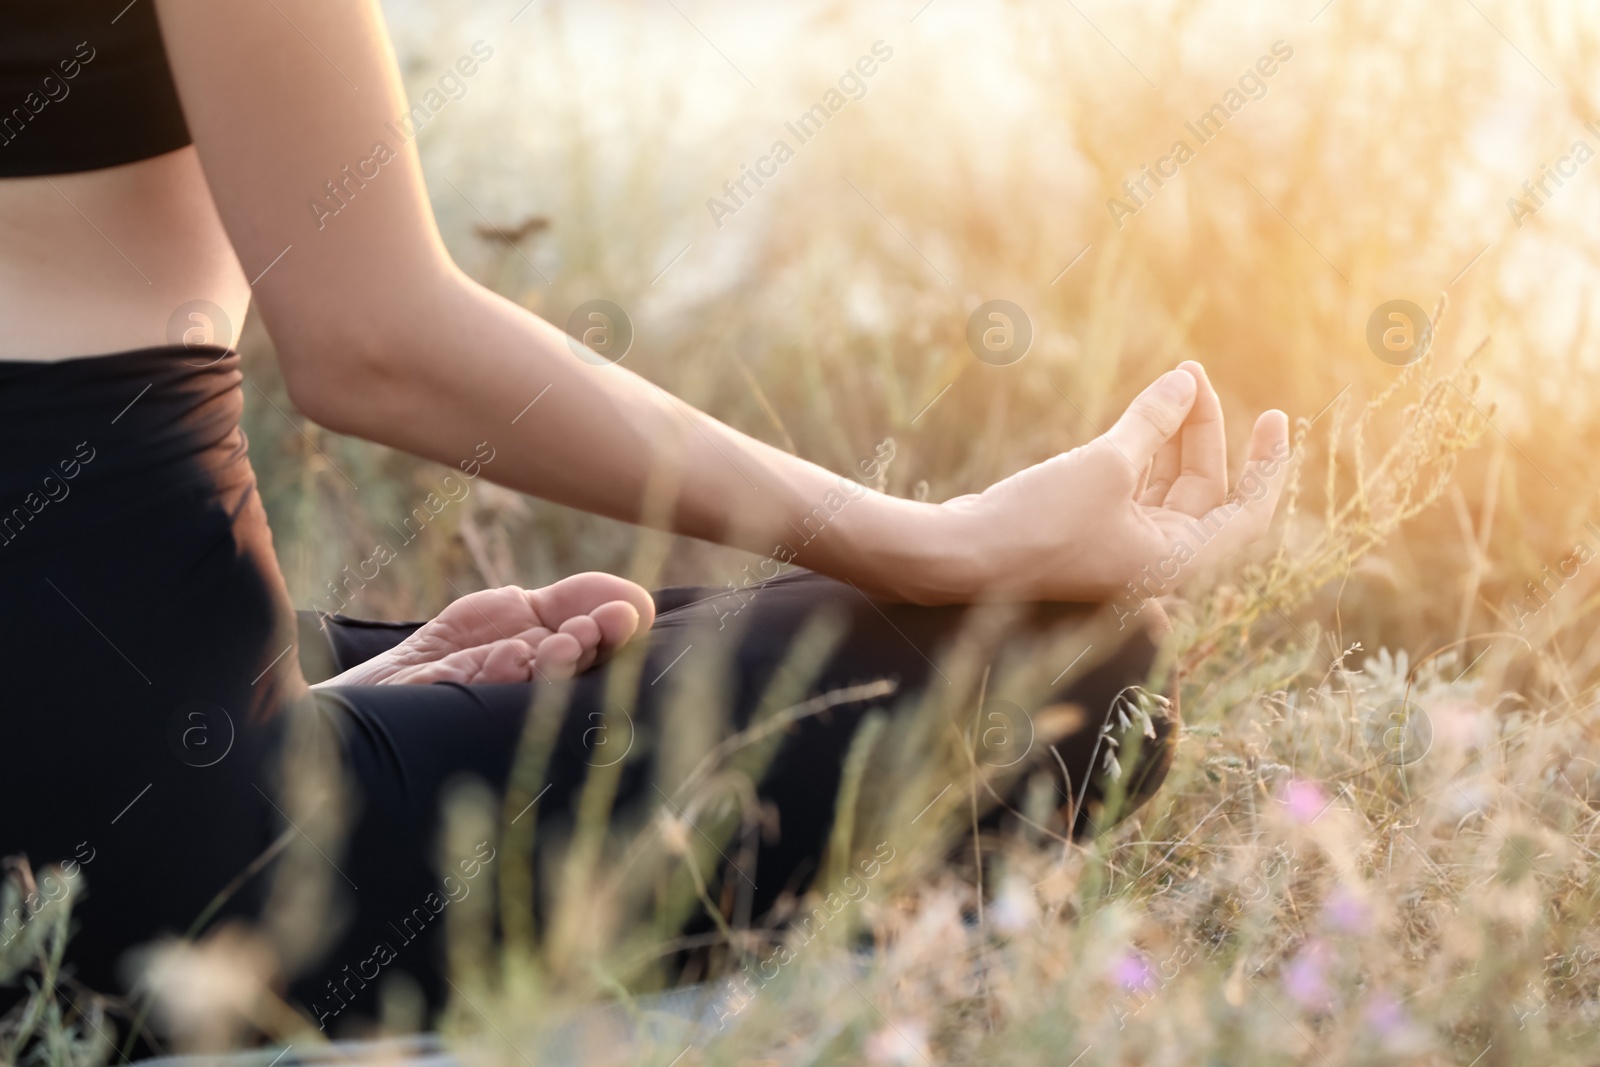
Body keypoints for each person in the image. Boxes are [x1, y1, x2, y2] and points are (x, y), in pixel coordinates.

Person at [0, 0, 1289, 1040]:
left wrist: (305, 669)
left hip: (85, 706)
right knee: (1073, 672)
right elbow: (373, 342)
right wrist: (948, 541)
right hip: (116, 845)